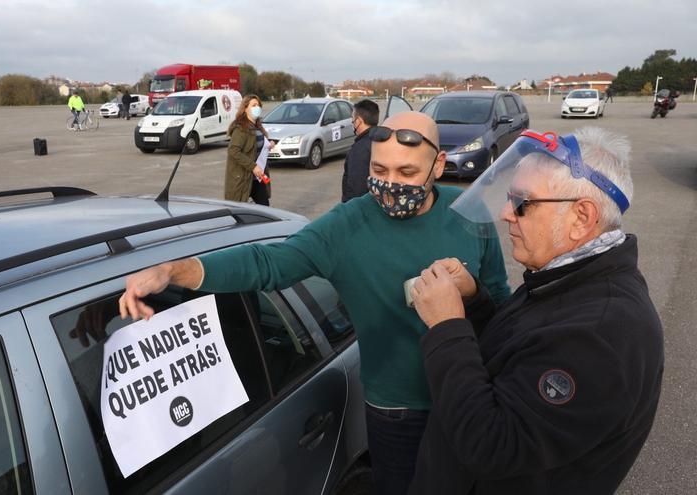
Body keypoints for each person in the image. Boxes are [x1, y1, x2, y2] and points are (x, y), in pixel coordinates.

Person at [119, 111, 511, 494]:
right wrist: (175, 271)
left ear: (438, 166)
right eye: (379, 171)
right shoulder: (346, 226)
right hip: (398, 414)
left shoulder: (468, 213)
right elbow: (268, 263)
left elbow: (503, 305)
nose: (391, 185)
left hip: (474, 399)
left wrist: (472, 292)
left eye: (407, 173)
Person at [407, 127, 663, 494]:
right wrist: (475, 302)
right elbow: (520, 354)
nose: (506, 213)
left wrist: (447, 327)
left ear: (581, 218)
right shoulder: (567, 274)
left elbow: (492, 446)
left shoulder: (601, 335)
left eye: (522, 202)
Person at [225, 95, 273, 206]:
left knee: (264, 208)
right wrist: (253, 166)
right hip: (242, 177)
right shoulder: (241, 128)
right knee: (238, 210)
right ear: (245, 108)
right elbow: (233, 150)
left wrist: (269, 144)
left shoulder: (257, 126)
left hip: (257, 177)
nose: (257, 108)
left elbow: (256, 145)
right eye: (253, 105)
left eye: (258, 105)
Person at [342, 99, 379, 202]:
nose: (353, 124)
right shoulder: (382, 141)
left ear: (358, 121)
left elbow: (356, 188)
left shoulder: (359, 149)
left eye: (353, 121)